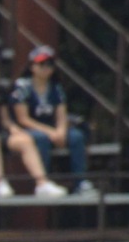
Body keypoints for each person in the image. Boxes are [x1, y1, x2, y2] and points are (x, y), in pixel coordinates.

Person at [0, 47, 67, 198]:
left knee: (25, 139)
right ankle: (0, 182)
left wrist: (13, 128)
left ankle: (42, 183)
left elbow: (5, 119)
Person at [11, 46, 94, 195]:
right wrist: (50, 132)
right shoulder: (22, 87)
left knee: (76, 137)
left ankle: (80, 182)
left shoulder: (56, 87)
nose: (46, 68)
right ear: (32, 66)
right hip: (31, 128)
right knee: (41, 138)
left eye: (49, 64)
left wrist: (60, 131)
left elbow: (61, 114)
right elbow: (23, 119)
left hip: (53, 127)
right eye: (41, 64)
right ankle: (44, 181)